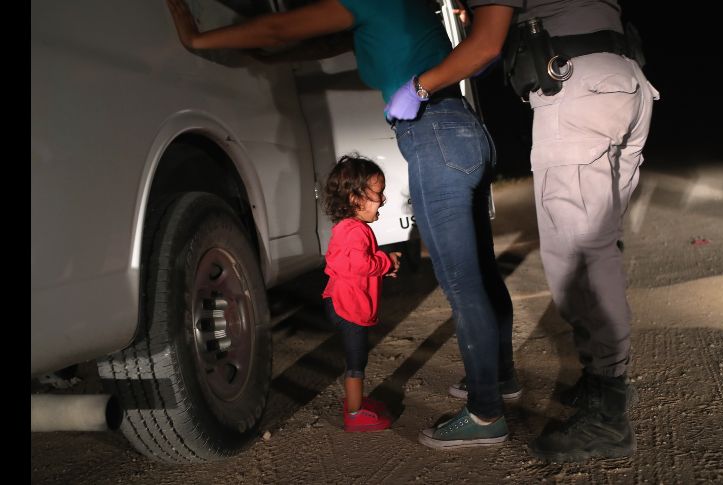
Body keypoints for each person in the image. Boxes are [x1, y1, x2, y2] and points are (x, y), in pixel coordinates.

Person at [166, 0, 520, 449]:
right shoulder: (398, 9)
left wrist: (197, 39)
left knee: (461, 285)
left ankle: (486, 411)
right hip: (463, 131)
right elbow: (307, 45)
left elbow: (279, 28)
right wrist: (261, 55)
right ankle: (500, 378)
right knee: (482, 276)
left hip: (433, 136)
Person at [387, 0, 659, 462]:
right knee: (600, 249)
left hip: (579, 92)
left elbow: (486, 45)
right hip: (625, 82)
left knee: (579, 261)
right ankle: (601, 386)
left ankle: (608, 417)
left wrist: (419, 85)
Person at [321, 155, 400, 432]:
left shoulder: (350, 228)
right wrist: (386, 262)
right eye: (378, 194)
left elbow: (355, 264)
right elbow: (358, 264)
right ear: (356, 199)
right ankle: (354, 413)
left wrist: (382, 266)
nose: (383, 199)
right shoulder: (354, 231)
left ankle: (357, 402)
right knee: (356, 361)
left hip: (340, 301)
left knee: (357, 359)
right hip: (348, 307)